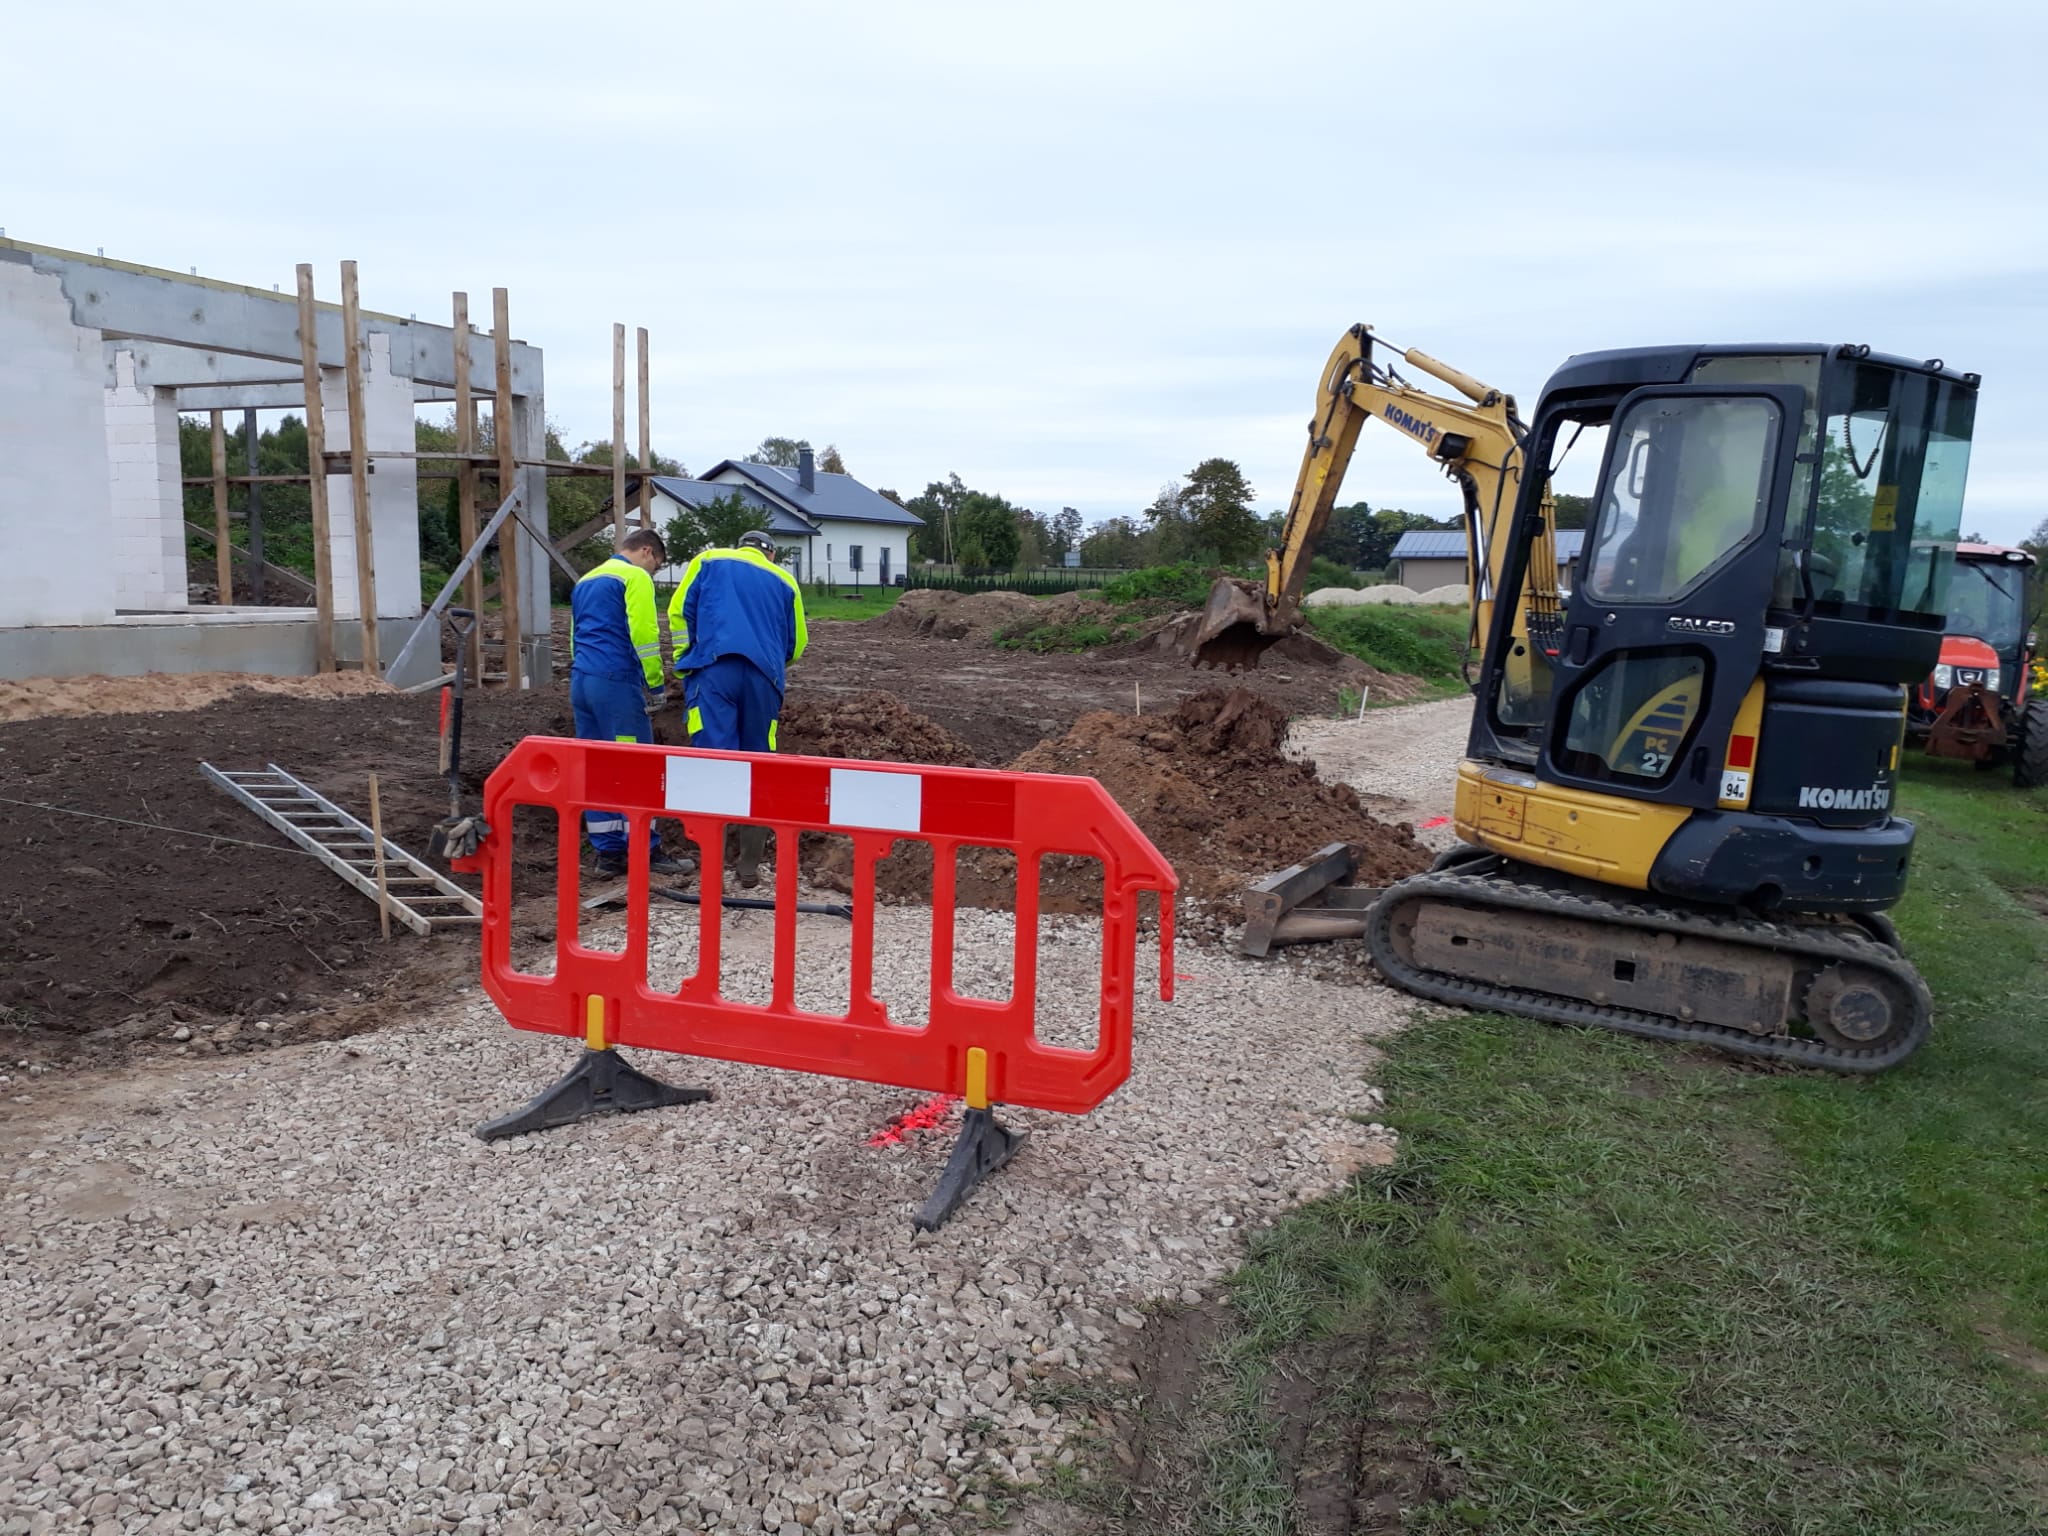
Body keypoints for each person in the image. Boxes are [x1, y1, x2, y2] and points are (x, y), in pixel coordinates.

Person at [667, 527, 808, 885]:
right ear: (770, 554)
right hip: (765, 680)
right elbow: (798, 644)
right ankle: (748, 865)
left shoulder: (709, 559)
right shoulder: (785, 581)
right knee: (758, 765)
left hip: (714, 670)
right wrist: (772, 666)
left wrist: (686, 658)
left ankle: (711, 864)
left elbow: (680, 612)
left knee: (715, 762)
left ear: (741, 545)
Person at [569, 527, 691, 879]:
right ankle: (646, 850)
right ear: (647, 552)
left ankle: (608, 855)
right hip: (616, 683)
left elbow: (577, 637)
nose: (653, 572)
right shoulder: (634, 577)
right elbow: (644, 634)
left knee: (598, 767)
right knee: (637, 766)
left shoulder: (587, 580)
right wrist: (655, 685)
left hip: (583, 681)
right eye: (657, 566)